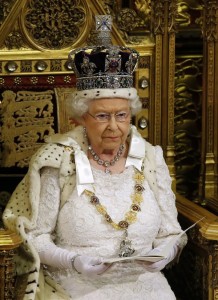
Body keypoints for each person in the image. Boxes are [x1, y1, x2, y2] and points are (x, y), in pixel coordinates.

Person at [3, 17, 187, 300]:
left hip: (147, 285)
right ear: (79, 118)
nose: (114, 126)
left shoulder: (150, 158)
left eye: (122, 115)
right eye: (102, 116)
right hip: (75, 285)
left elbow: (171, 233)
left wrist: (166, 253)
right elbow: (35, 237)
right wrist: (73, 261)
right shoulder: (58, 161)